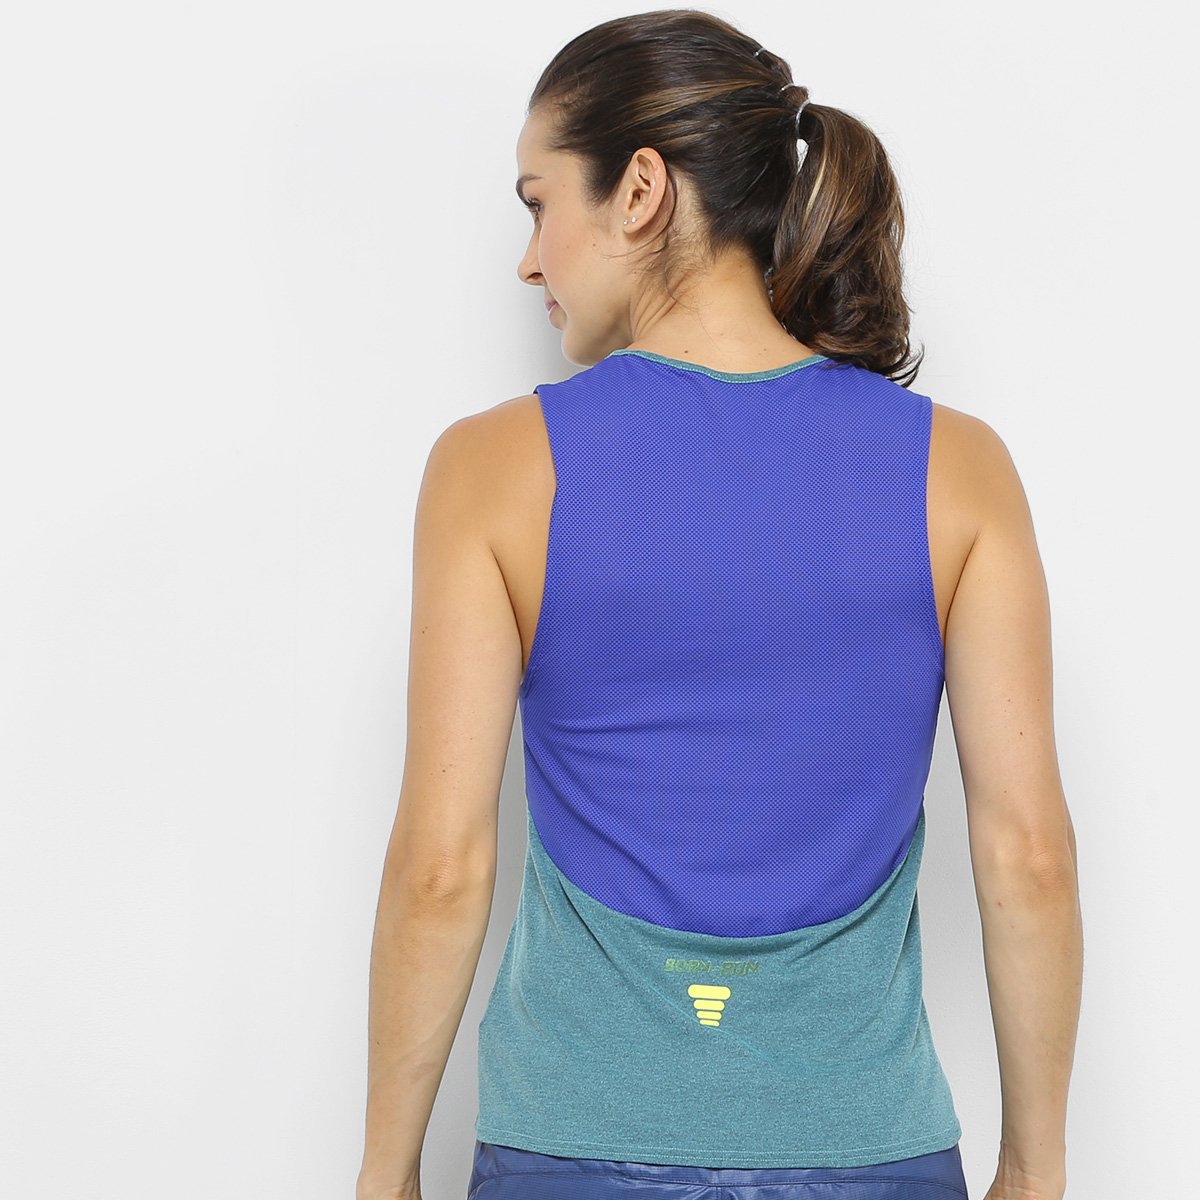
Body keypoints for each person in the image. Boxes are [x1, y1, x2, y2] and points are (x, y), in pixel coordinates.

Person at [355, 10, 1084, 1200]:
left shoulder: (493, 470)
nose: (530, 260)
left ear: (641, 190)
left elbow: (441, 869)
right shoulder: (958, 469)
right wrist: (1035, 1172)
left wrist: (384, 1176)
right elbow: (1029, 855)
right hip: (869, 1147)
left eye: (540, 203)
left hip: (574, 1144)